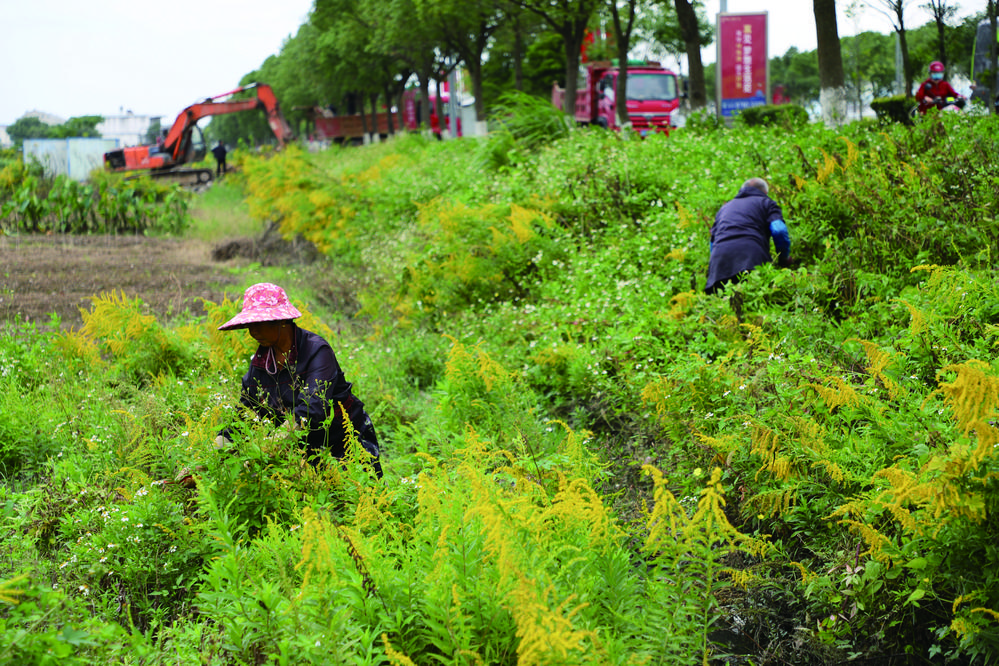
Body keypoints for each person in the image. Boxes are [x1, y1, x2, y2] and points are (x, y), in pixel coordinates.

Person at [216, 282, 383, 478]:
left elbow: (312, 409)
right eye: (249, 325)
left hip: (344, 441)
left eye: (259, 324)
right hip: (301, 449)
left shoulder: (316, 351)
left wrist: (265, 448)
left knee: (359, 498)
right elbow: (244, 415)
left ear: (282, 321)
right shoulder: (260, 364)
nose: (254, 332)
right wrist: (209, 460)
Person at [705, 177, 791, 295]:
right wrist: (783, 258)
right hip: (751, 258)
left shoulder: (724, 208)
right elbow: (779, 230)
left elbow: (712, 243)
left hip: (718, 266)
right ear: (765, 192)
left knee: (727, 309)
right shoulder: (766, 202)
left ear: (741, 190)